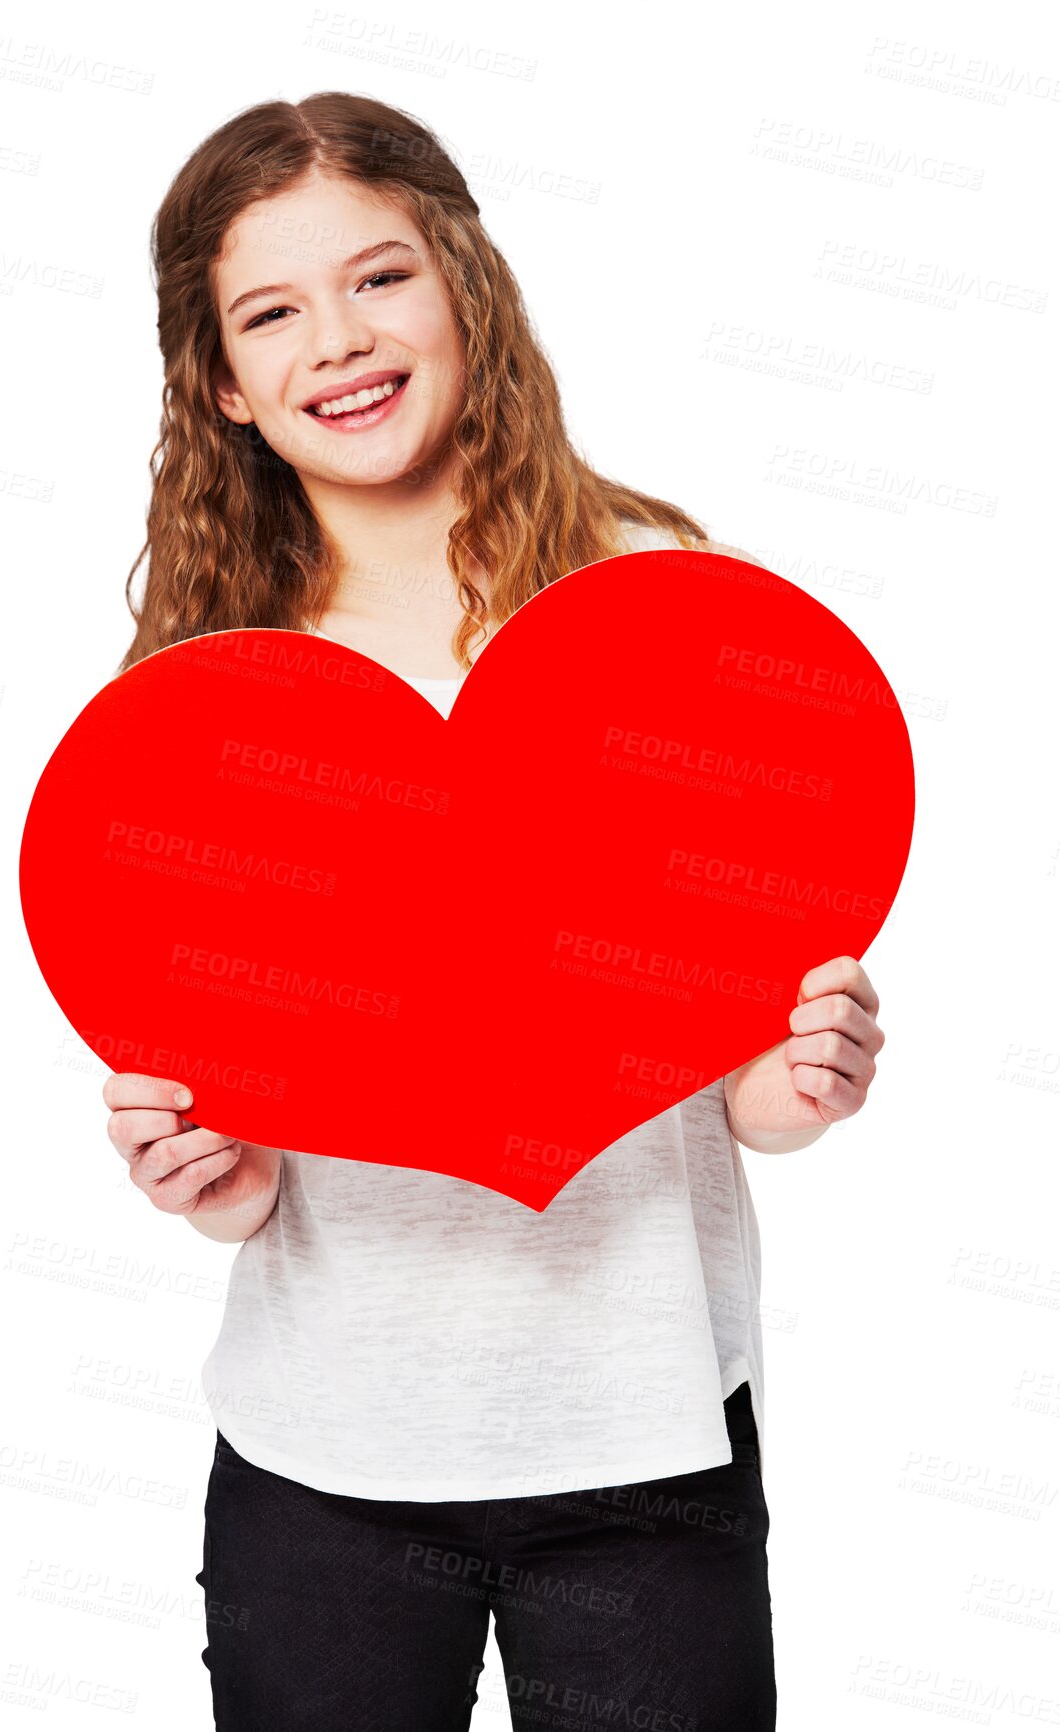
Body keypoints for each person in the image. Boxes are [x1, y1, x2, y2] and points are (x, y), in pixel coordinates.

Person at [103, 94, 885, 1731]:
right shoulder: (210, 691)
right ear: (224, 390)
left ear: (466, 285)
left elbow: (730, 1075)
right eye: (272, 312)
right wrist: (213, 1182)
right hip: (324, 1460)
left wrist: (798, 1082)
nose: (341, 340)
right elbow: (243, 1136)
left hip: (646, 1438)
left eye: (379, 277)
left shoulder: (659, 597)